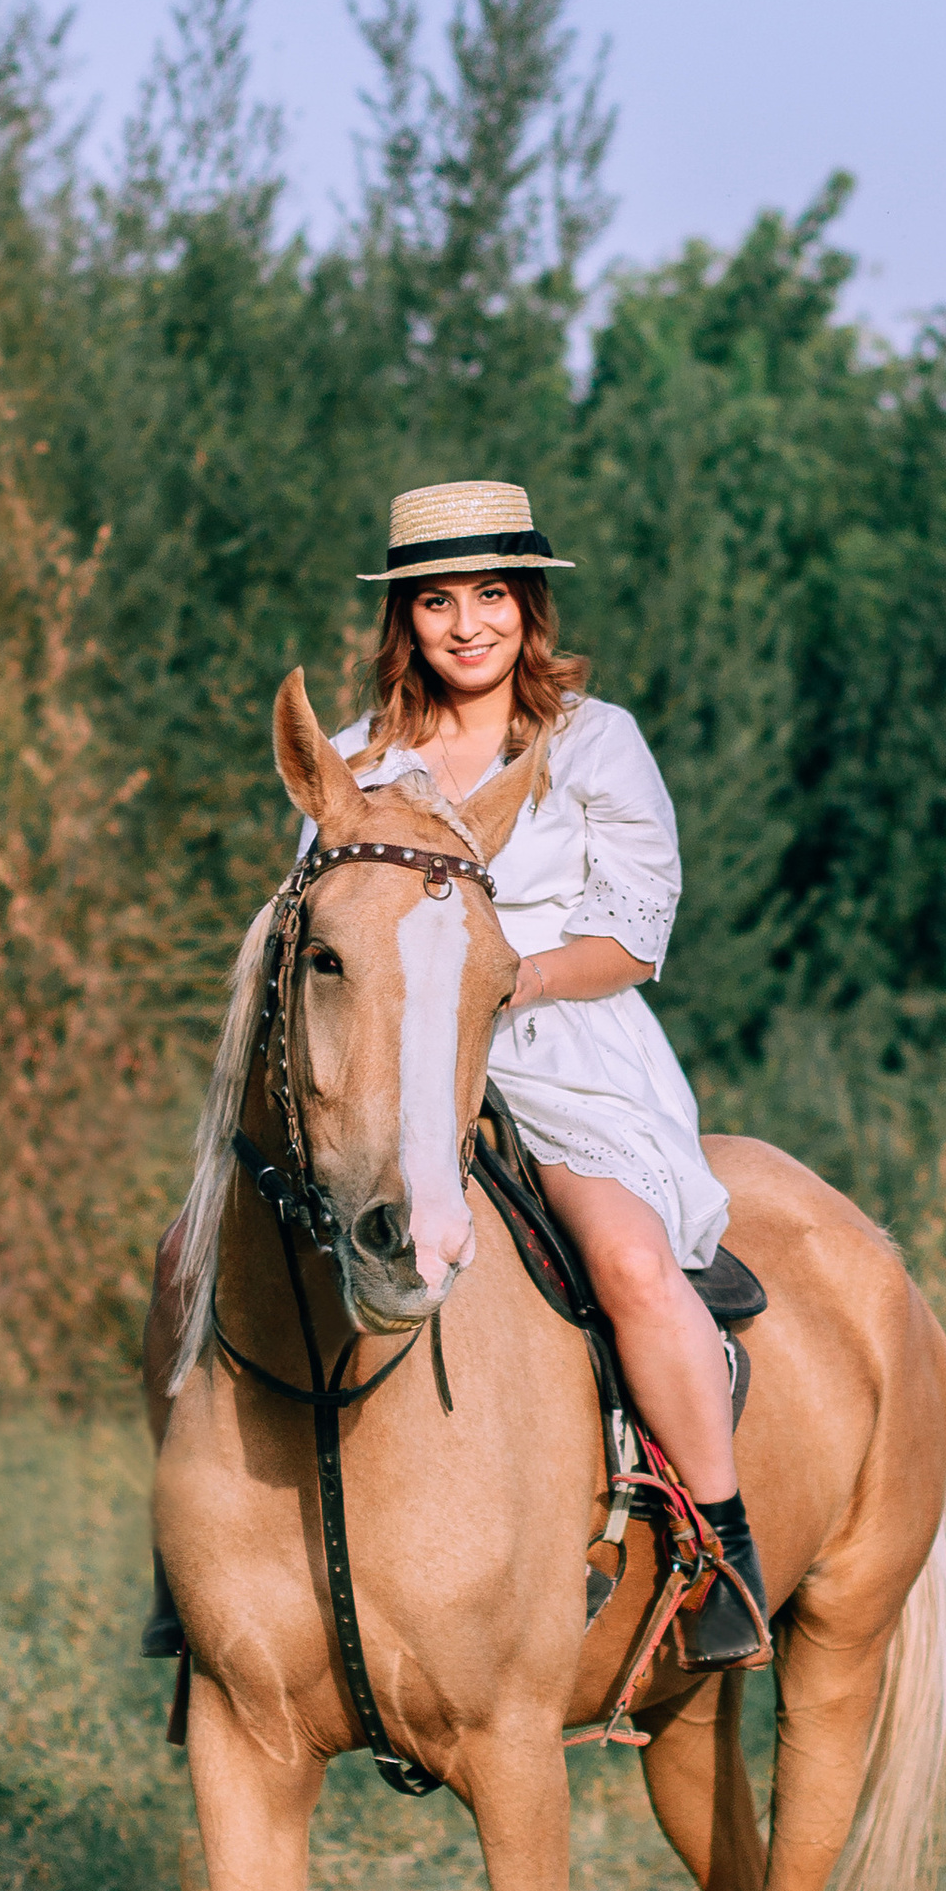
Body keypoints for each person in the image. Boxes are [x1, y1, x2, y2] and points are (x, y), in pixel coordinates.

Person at [147, 475, 766, 1673]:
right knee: (192, 1254)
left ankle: (718, 1540)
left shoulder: (595, 742)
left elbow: (634, 939)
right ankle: (189, 1549)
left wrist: (492, 984)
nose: (467, 623)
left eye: (493, 595)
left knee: (632, 1262)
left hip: (551, 1042)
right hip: (380, 1058)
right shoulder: (346, 760)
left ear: (528, 609)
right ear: (406, 620)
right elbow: (318, 930)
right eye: (438, 600)